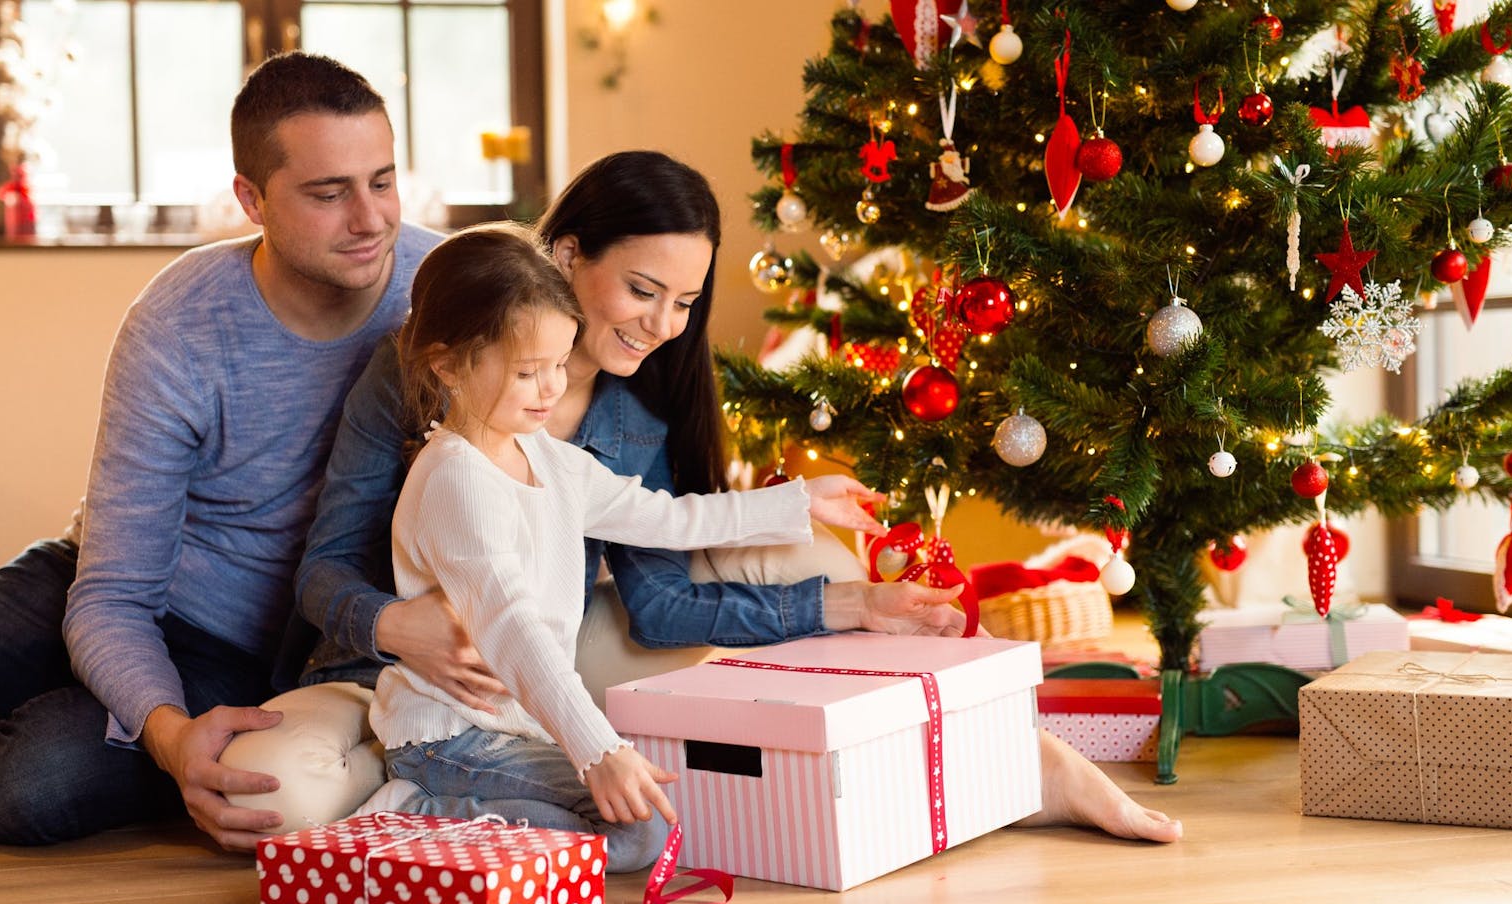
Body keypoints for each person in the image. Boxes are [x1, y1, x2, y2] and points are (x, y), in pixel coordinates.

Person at [284, 150, 1182, 845]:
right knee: (296, 790)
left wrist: (823, 544)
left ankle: (1010, 765)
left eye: (683, 301)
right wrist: (396, 626)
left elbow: (663, 555)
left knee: (813, 566)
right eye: (641, 290)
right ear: (566, 257)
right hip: (418, 683)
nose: (663, 325)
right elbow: (336, 575)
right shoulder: (431, 382)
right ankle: (436, 815)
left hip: (549, 663)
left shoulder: (611, 424)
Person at [0, 51, 442, 851]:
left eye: (383, 180)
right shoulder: (179, 323)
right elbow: (112, 589)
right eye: (329, 194)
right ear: (251, 199)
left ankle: (10, 732)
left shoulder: (444, 294)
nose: (370, 219)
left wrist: (176, 729)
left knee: (22, 788)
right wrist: (162, 733)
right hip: (99, 581)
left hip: (248, 648)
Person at [370, 222, 890, 871]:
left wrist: (797, 500)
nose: (554, 388)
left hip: (514, 727)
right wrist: (599, 749)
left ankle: (457, 828)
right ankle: (414, 814)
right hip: (446, 736)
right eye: (530, 372)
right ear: (448, 363)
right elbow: (514, 629)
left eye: (560, 364)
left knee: (641, 823)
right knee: (635, 834)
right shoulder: (454, 479)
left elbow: (665, 519)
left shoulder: (549, 460)